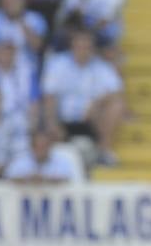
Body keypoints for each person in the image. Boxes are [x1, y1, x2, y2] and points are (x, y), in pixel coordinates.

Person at [41, 29, 125, 165]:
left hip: (90, 120)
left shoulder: (100, 67)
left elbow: (116, 91)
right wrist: (52, 122)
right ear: (72, 46)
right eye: (80, 46)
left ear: (92, 49)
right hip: (64, 120)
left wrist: (97, 102)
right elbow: (49, 95)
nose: (83, 50)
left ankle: (104, 150)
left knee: (116, 105)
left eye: (87, 47)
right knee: (48, 113)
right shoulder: (58, 64)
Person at [59, 0, 123, 56]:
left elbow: (105, 21)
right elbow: (67, 20)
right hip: (78, 32)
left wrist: (88, 31)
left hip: (97, 32)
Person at [4, 127, 79, 183]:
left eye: (44, 146)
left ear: (50, 146)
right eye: (38, 147)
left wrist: (48, 180)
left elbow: (71, 179)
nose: (41, 151)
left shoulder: (62, 161)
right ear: (32, 147)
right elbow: (8, 178)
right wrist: (28, 179)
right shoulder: (20, 161)